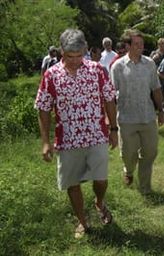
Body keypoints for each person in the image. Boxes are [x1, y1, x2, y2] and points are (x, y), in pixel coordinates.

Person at [34, 28, 118, 239]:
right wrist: (45, 142)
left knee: (101, 179)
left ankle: (99, 202)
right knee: (72, 184)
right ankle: (82, 221)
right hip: (68, 140)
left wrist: (114, 129)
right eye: (70, 56)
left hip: (97, 135)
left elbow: (109, 99)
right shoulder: (51, 75)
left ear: (85, 51)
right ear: (62, 51)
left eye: (79, 56)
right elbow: (43, 108)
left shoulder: (97, 70)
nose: (75, 60)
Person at [110, 29, 164, 195]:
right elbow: (111, 94)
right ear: (127, 46)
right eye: (136, 44)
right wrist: (109, 119)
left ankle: (145, 187)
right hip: (126, 118)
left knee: (150, 152)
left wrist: (161, 110)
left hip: (147, 116)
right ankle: (128, 170)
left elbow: (156, 88)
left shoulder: (149, 64)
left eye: (142, 44)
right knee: (129, 153)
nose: (141, 47)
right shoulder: (118, 67)